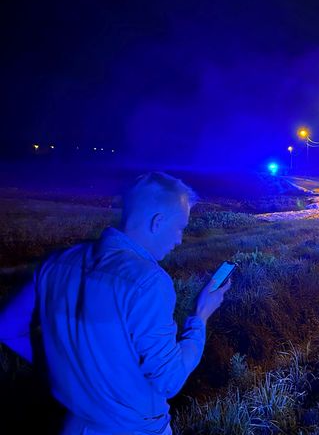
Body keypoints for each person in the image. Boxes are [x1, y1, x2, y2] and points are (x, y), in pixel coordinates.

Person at [0, 172, 231, 435]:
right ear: (158, 222)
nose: (179, 240)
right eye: (180, 228)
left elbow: (7, 327)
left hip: (73, 426)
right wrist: (200, 317)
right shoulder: (149, 281)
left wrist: (59, 366)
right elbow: (169, 379)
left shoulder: (55, 263)